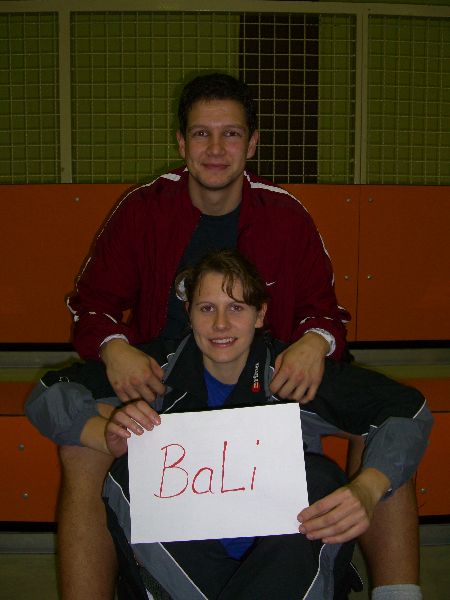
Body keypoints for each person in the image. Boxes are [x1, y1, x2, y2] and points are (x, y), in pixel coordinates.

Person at [48, 72, 422, 599]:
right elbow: (90, 306)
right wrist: (117, 350)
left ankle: (396, 593)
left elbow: (325, 313)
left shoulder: (286, 216)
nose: (216, 149)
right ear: (182, 144)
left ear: (252, 143)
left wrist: (313, 343)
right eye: (202, 134)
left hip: (269, 391)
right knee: (81, 445)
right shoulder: (143, 210)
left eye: (231, 134)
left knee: (381, 423)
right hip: (164, 388)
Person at [27, 250, 432, 600]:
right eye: (207, 309)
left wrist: (368, 488)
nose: (221, 324)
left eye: (236, 308)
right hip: (183, 567)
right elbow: (48, 392)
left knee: (320, 478)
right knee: (129, 474)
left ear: (260, 315)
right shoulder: (155, 370)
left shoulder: (290, 374)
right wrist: (105, 434)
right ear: (188, 314)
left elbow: (405, 408)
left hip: (284, 561)